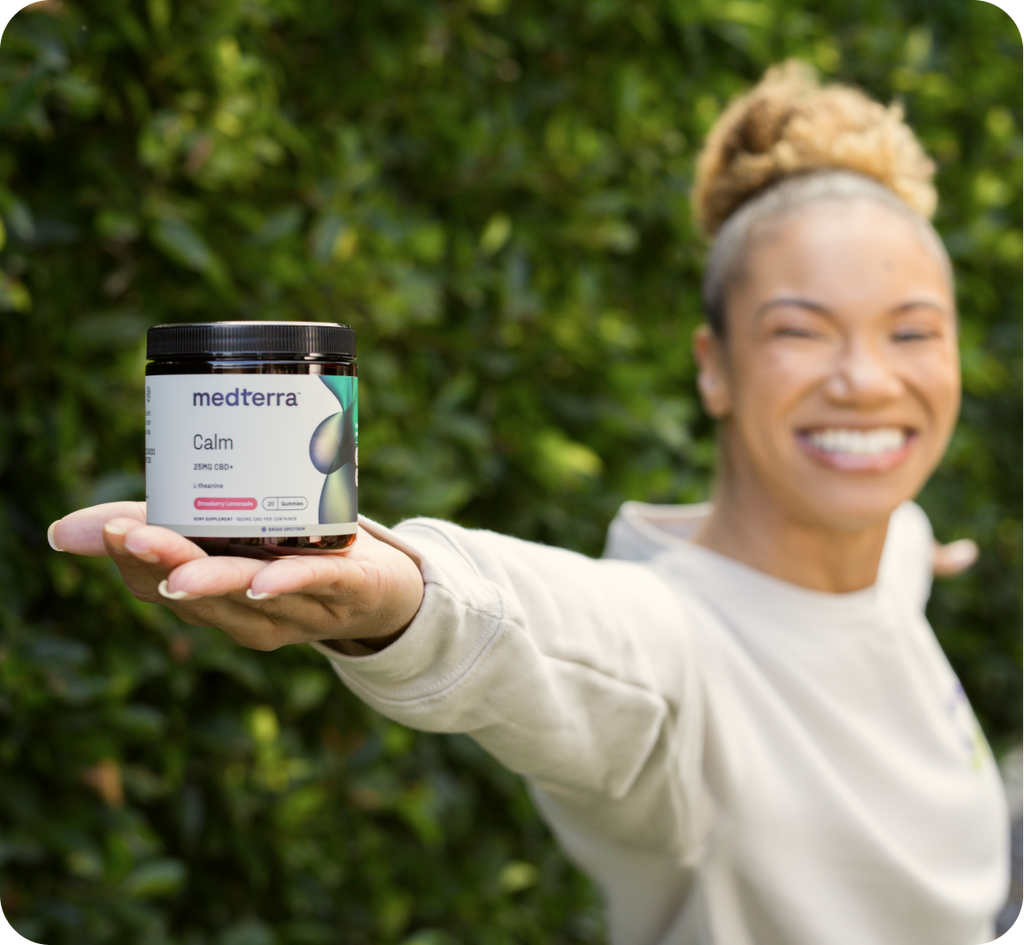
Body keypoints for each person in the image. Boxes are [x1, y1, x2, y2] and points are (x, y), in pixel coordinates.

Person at [48, 62, 1009, 945]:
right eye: (802, 331)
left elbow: (856, 582)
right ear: (713, 368)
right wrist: (405, 599)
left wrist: (903, 556)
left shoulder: (882, 552)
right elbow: (561, 637)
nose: (866, 381)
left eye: (913, 333)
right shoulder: (679, 660)